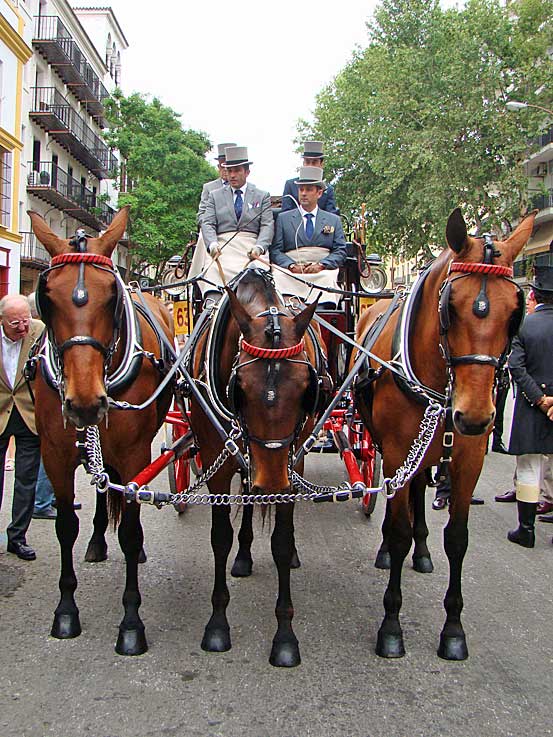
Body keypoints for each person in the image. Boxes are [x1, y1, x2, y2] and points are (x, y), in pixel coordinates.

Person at [506, 266, 553, 548]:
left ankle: (526, 530)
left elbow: (516, 367)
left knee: (528, 468)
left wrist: (540, 399)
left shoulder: (524, 327)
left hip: (532, 407)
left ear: (534, 295)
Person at [191, 146, 273, 297]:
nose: (232, 175)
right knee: (212, 269)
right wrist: (212, 244)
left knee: (258, 271)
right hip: (223, 247)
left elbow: (267, 226)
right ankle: (212, 305)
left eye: (237, 171)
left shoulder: (262, 196)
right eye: (229, 171)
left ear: (247, 172)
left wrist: (259, 247)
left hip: (251, 247)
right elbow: (207, 223)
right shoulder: (214, 195)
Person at [0, 294, 43, 560]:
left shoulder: (40, 332)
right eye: (15, 323)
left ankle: (17, 538)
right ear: (2, 321)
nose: (23, 327)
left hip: (29, 415)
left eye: (25, 320)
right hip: (0, 413)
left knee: (26, 481)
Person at [270, 166, 347, 307]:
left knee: (327, 279)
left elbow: (340, 251)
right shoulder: (283, 219)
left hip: (321, 272)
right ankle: (287, 312)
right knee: (278, 277)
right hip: (291, 271)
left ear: (319, 193)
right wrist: (291, 265)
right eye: (301, 189)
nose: (304, 194)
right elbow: (276, 250)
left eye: (309, 189)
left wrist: (322, 265)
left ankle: (321, 312)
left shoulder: (333, 220)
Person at [281, 141, 338, 214]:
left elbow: (331, 217)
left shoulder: (328, 190)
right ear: (303, 163)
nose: (310, 166)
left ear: (321, 164)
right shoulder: (290, 185)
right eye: (307, 162)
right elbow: (285, 215)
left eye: (314, 162)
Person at [196, 142, 236, 226]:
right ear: (218, 167)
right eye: (222, 166)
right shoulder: (209, 187)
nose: (225, 170)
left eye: (228, 167)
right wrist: (209, 226)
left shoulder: (245, 188)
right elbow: (201, 214)